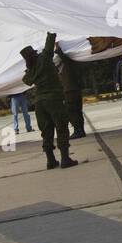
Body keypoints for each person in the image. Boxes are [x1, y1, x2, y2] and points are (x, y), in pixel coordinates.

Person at [21, 32, 77, 169]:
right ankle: (65, 159)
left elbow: (26, 81)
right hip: (54, 99)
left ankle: (50, 161)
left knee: (46, 132)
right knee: (61, 128)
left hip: (39, 103)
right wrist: (51, 31)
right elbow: (49, 43)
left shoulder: (31, 69)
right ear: (34, 53)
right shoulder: (44, 58)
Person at [56, 43, 88, 139]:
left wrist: (57, 48)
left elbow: (63, 57)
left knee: (71, 112)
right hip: (72, 90)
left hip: (71, 91)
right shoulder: (64, 65)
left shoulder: (69, 62)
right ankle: (80, 130)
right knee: (77, 111)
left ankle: (78, 130)